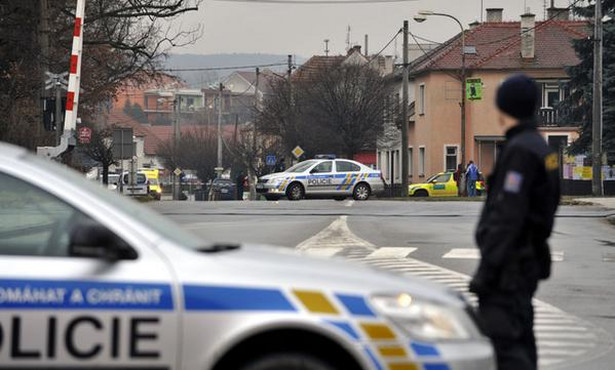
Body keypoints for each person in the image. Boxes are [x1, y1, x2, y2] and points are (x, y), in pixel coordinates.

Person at [469, 74, 560, 370]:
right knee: (522, 339)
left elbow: (508, 215)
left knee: (507, 349)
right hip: (527, 261)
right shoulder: (542, 150)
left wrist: (487, 272)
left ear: (503, 107)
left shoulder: (520, 151)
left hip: (509, 267)